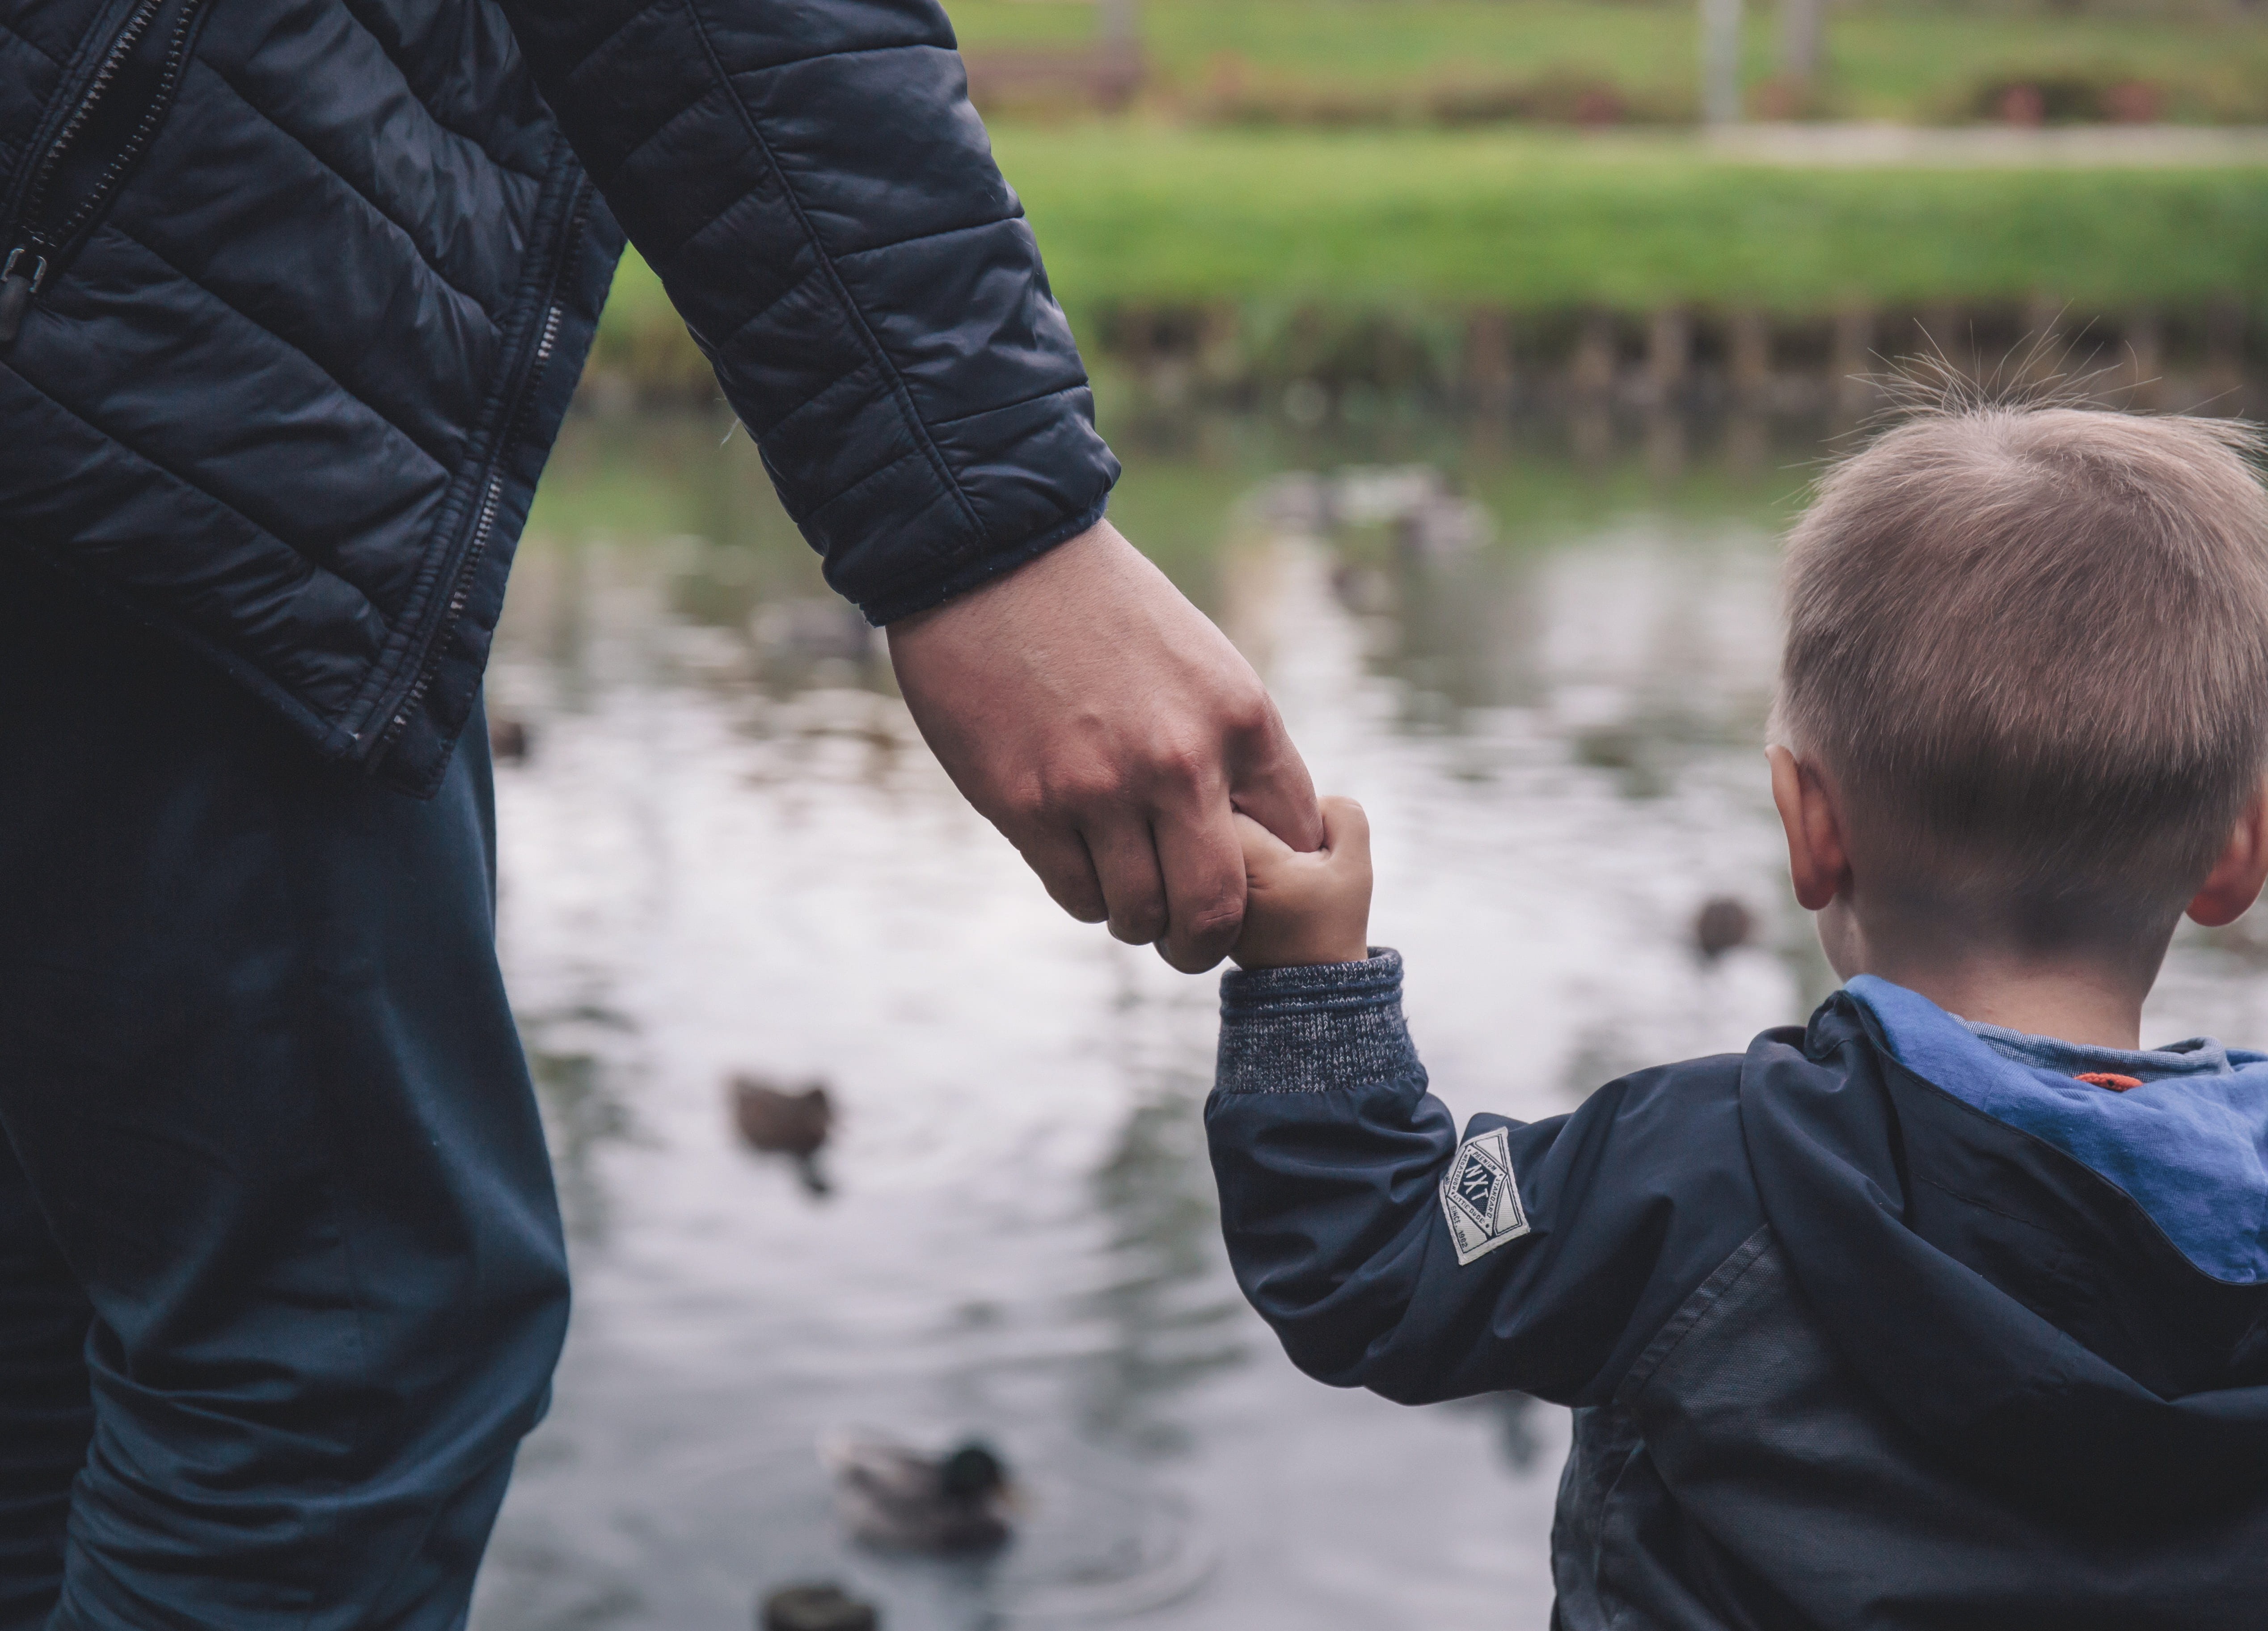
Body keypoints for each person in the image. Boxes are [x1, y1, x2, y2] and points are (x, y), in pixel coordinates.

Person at [0, 0, 1313, 1622]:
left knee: (62, 1297)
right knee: (329, 1353)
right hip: (141, 357)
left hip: (96, 309)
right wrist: (989, 519)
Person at [1204, 405, 2268, 1628]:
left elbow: (1376, 1262)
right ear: (2247, 850)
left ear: (1810, 829)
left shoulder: (1698, 1177)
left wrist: (1311, 975)